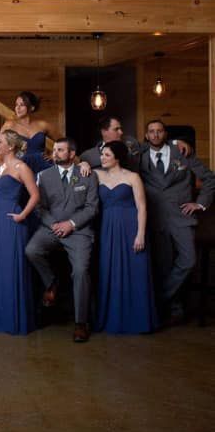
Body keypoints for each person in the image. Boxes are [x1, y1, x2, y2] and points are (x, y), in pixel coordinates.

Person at [139, 119, 215, 325]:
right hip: (155, 219)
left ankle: (160, 301)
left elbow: (209, 179)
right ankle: (173, 309)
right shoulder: (139, 156)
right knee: (163, 266)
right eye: (151, 132)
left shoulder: (181, 152)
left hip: (181, 218)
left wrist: (200, 204)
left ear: (166, 134)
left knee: (188, 261)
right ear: (146, 136)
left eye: (159, 131)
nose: (155, 135)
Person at [25, 137, 99, 343]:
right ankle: (52, 282)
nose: (55, 153)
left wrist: (72, 224)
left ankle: (80, 323)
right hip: (52, 227)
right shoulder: (44, 176)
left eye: (60, 150)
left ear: (72, 154)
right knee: (31, 250)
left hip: (79, 231)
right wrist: (54, 225)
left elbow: (92, 207)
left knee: (81, 270)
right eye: (54, 150)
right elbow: (40, 208)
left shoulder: (87, 175)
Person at [94, 141, 157, 334]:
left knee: (135, 271)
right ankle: (111, 319)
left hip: (131, 227)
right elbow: (78, 165)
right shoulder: (98, 175)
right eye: (102, 154)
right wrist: (85, 164)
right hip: (107, 228)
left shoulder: (133, 177)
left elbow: (142, 207)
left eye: (106, 155)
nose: (102, 158)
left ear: (117, 157)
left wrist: (140, 234)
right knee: (108, 270)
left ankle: (138, 321)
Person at [0, 130, 39, 336]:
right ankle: (0, 317)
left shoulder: (21, 167)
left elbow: (35, 195)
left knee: (11, 267)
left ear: (11, 146)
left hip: (12, 220)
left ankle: (14, 319)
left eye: (0, 142)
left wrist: (22, 215)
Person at [79, 115, 190, 171]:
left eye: (121, 128)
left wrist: (175, 142)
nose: (121, 132)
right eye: (116, 129)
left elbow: (153, 144)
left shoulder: (130, 142)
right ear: (104, 132)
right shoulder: (88, 156)